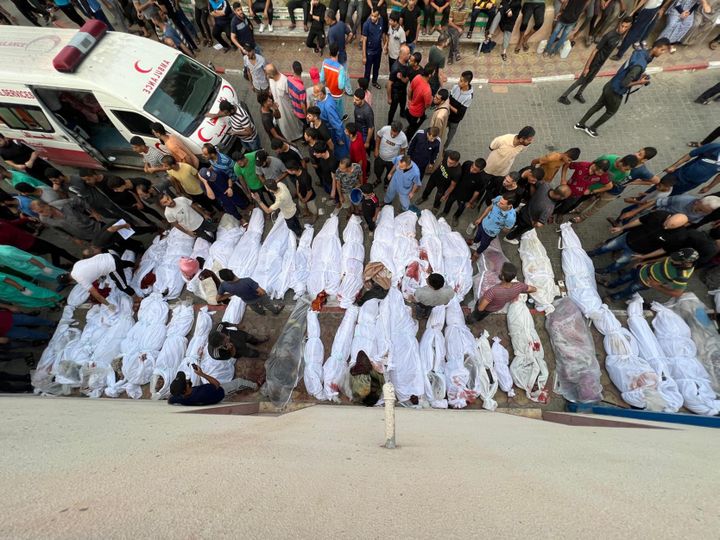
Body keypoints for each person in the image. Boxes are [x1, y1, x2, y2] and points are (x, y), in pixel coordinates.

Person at [575, 38, 671, 137]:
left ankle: (580, 124)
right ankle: (592, 129)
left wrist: (639, 75)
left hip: (610, 84)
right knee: (610, 112)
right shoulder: (640, 65)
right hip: (616, 92)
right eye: (662, 50)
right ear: (655, 48)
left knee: (597, 105)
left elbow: (631, 68)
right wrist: (640, 82)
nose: (662, 53)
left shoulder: (640, 52)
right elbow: (625, 84)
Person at [558, 17, 633, 105]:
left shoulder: (621, 35)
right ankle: (563, 96)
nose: (622, 29)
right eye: (622, 26)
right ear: (619, 23)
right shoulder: (609, 35)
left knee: (589, 80)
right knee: (581, 80)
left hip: (600, 63)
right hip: (594, 61)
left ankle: (579, 94)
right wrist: (587, 67)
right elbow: (594, 51)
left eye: (626, 27)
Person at [591, 210, 689, 274]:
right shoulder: (659, 214)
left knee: (620, 262)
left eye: (671, 227)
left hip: (636, 251)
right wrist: (622, 228)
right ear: (669, 216)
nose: (666, 227)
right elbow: (640, 221)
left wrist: (643, 257)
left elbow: (663, 250)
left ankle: (606, 271)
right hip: (627, 237)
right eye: (667, 224)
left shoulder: (679, 236)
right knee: (607, 247)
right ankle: (593, 253)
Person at [603, 248, 698, 301]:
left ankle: (614, 297)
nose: (672, 259)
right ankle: (611, 285)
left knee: (629, 290)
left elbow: (677, 293)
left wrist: (656, 286)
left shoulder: (682, 276)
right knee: (623, 278)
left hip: (645, 282)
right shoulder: (677, 257)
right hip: (642, 270)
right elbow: (664, 259)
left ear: (685, 262)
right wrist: (646, 262)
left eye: (675, 260)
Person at [569, 154, 638, 222]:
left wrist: (599, 191)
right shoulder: (607, 158)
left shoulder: (625, 173)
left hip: (596, 190)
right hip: (586, 184)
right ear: (621, 162)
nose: (626, 171)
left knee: (589, 200)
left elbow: (613, 182)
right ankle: (576, 210)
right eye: (626, 168)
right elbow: (592, 165)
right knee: (575, 198)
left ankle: (582, 217)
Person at [467, 262, 536, 322]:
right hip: (496, 307)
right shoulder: (519, 286)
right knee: (484, 315)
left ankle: (470, 320)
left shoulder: (492, 291)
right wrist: (519, 291)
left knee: (476, 315)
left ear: (502, 276)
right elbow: (533, 289)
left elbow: (480, 308)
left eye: (500, 270)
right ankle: (479, 319)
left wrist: (478, 310)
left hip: (486, 308)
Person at [62, 251, 137, 306]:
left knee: (122, 287)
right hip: (109, 256)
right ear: (66, 273)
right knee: (121, 263)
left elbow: (97, 296)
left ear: (69, 282)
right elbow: (91, 267)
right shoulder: (76, 265)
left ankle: (137, 298)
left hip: (113, 266)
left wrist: (108, 305)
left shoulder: (81, 280)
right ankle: (135, 265)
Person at [504, 184, 571, 244]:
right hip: (527, 222)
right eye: (564, 198)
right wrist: (534, 223)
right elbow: (539, 224)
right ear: (559, 196)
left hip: (523, 210)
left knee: (515, 221)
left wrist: (533, 197)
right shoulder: (549, 208)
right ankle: (508, 238)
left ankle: (507, 227)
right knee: (518, 231)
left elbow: (534, 184)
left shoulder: (545, 186)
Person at [0, 218, 77, 265]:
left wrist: (26, 219)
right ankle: (76, 261)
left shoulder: (1, 222)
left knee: (54, 250)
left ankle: (58, 265)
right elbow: (9, 247)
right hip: (29, 245)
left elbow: (12, 223)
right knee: (57, 250)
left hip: (32, 239)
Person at [168, 366, 255, 406]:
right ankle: (255, 386)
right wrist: (202, 374)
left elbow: (170, 400)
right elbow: (217, 384)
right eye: (185, 382)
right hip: (221, 392)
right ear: (185, 390)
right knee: (238, 382)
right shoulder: (202, 393)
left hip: (209, 394)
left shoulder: (179, 397)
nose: (187, 380)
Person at [609, 174, 676, 226]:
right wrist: (645, 194)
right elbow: (653, 193)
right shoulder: (670, 188)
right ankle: (619, 222)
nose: (657, 186)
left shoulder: (660, 195)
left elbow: (646, 203)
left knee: (626, 213)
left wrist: (631, 200)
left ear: (667, 186)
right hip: (644, 201)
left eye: (660, 186)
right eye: (658, 184)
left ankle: (620, 225)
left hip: (642, 206)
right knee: (626, 212)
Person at [440, 158, 488, 225]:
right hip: (456, 190)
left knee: (461, 207)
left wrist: (470, 202)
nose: (471, 170)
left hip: (466, 196)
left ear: (481, 170)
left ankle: (456, 217)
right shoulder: (467, 163)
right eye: (472, 167)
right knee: (449, 202)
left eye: (475, 170)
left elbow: (477, 192)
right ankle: (445, 212)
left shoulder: (482, 178)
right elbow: (458, 174)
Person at [216, 269, 285, 314]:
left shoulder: (224, 285)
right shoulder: (247, 281)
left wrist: (231, 294)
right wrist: (261, 294)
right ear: (232, 273)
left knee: (255, 308)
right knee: (268, 304)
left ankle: (261, 312)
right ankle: (275, 311)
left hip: (247, 300)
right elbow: (262, 292)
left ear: (225, 279)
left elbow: (218, 299)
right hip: (259, 297)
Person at [266, 64, 304, 143]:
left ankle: (298, 135)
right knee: (283, 125)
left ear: (272, 74)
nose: (266, 75)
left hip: (288, 108)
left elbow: (291, 97)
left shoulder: (285, 81)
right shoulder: (271, 79)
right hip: (278, 107)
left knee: (292, 122)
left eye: (267, 74)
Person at [471, 192, 516, 256]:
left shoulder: (511, 217)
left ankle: (477, 253)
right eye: (500, 201)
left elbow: (506, 230)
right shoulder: (499, 198)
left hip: (490, 234)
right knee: (477, 235)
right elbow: (490, 207)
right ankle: (474, 241)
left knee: (484, 244)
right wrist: (480, 218)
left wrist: (498, 224)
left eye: (502, 204)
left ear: (509, 205)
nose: (498, 203)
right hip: (483, 224)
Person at [310, 89, 349, 159]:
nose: (314, 96)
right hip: (329, 128)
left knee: (339, 149)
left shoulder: (328, 107)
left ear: (321, 94)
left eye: (315, 94)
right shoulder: (325, 97)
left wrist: (339, 138)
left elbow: (337, 125)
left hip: (332, 131)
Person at [0, 245, 66, 284]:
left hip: (38, 267)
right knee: (56, 279)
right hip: (32, 271)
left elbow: (30, 258)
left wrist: (44, 268)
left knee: (62, 275)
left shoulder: (7, 252)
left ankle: (73, 279)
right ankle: (65, 283)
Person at [320, 43, 349, 120]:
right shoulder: (340, 68)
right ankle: (339, 119)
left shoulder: (324, 62)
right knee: (338, 110)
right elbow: (341, 86)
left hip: (328, 92)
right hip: (337, 94)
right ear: (338, 53)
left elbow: (322, 79)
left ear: (330, 52)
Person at [374, 121, 409, 186]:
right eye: (391, 132)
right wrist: (376, 149)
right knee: (377, 171)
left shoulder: (403, 138)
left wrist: (399, 161)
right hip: (380, 157)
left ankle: (386, 183)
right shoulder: (384, 129)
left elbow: (402, 151)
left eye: (395, 134)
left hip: (392, 161)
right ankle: (378, 179)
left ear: (399, 132)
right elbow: (378, 137)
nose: (392, 135)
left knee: (389, 174)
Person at [445, 70, 473, 148]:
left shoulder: (469, 97)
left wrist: (448, 105)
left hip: (455, 120)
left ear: (466, 83)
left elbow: (460, 112)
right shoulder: (455, 87)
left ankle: (444, 147)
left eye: (461, 81)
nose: (458, 82)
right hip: (447, 115)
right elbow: (449, 97)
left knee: (450, 135)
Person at [387, 44, 412, 124]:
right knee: (393, 109)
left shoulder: (407, 62)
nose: (409, 55)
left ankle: (402, 113)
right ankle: (389, 122)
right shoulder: (395, 68)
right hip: (396, 92)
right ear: (402, 55)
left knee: (403, 103)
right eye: (408, 53)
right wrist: (389, 98)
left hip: (403, 89)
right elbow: (389, 84)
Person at [654, 194, 720, 224]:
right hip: (657, 217)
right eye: (700, 209)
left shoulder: (706, 211)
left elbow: (691, 222)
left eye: (705, 212)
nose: (699, 213)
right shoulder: (681, 199)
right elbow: (657, 202)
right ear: (697, 202)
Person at [362, 8, 387, 88]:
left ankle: (374, 82)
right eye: (372, 15)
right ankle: (365, 87)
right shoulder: (366, 24)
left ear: (378, 16)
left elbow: (383, 34)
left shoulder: (381, 21)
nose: (373, 18)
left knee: (376, 68)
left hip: (378, 50)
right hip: (369, 52)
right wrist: (364, 56)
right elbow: (364, 41)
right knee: (367, 71)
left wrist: (385, 46)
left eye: (375, 16)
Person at [405, 67, 432, 139]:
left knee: (412, 117)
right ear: (429, 75)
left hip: (411, 105)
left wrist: (410, 100)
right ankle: (408, 137)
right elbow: (427, 105)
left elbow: (410, 89)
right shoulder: (427, 90)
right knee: (412, 127)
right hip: (417, 111)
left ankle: (419, 120)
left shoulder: (417, 77)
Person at [353, 89, 376, 153]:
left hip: (365, 135)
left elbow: (371, 128)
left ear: (363, 99)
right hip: (359, 131)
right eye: (354, 98)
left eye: (357, 100)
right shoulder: (357, 104)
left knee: (365, 151)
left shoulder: (367, 112)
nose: (354, 101)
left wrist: (367, 142)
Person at [286, 61, 308, 127]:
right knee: (306, 125)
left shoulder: (289, 79)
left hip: (294, 109)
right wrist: (306, 115)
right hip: (301, 113)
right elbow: (302, 105)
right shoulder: (301, 88)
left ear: (293, 70)